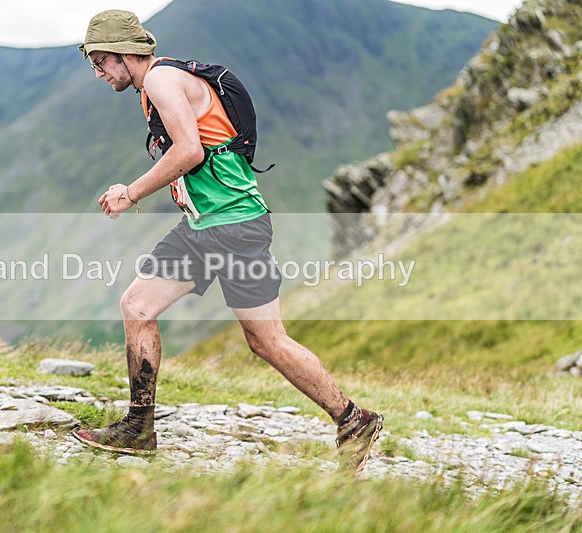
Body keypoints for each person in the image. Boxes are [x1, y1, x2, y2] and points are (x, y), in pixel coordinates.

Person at [72, 9, 383, 475]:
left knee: (268, 341)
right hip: (205, 227)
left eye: (99, 61)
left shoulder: (160, 81)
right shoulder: (157, 83)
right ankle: (138, 428)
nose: (97, 72)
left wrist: (130, 193)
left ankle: (353, 419)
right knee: (137, 306)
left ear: (123, 53)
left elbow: (189, 151)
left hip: (233, 227)